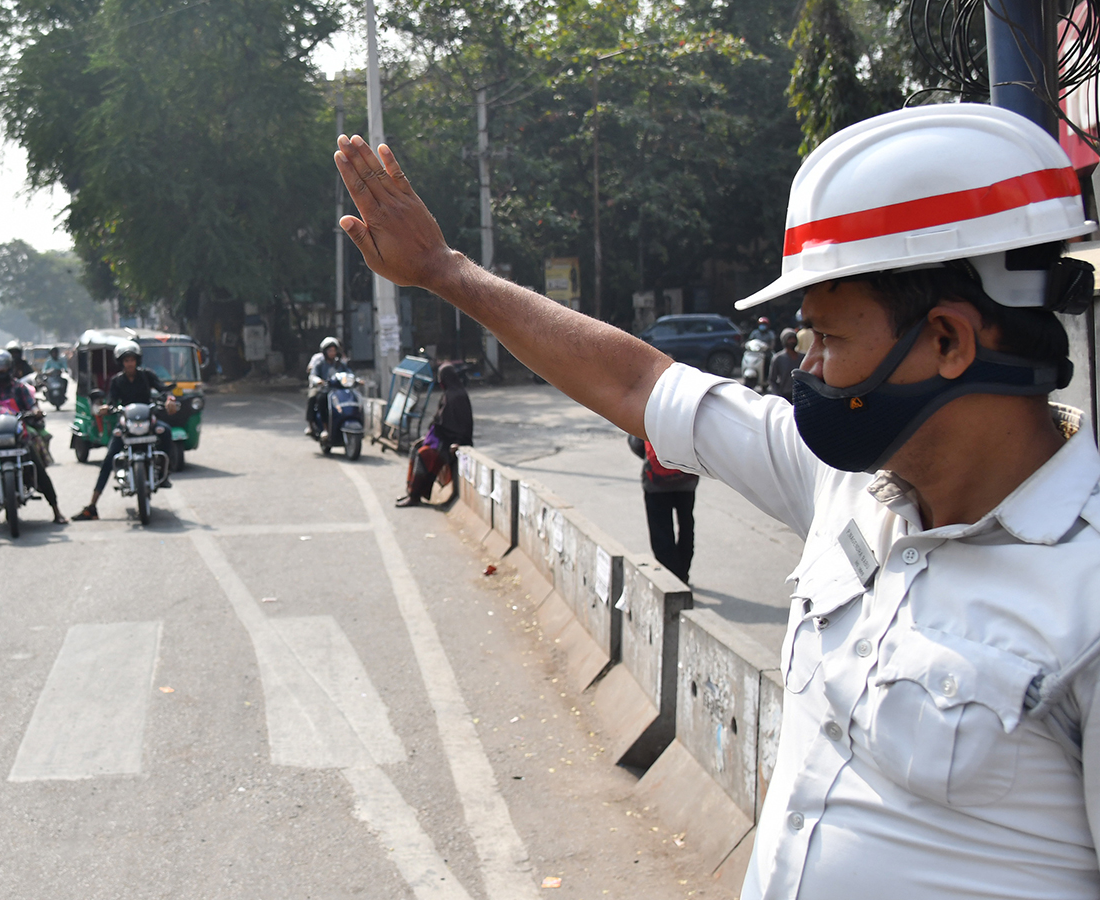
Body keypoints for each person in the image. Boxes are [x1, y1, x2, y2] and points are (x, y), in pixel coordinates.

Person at [334, 102, 1100, 899]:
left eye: (830, 341)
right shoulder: (847, 482)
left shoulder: (1086, 588)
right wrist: (446, 272)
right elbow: (638, 381)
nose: (807, 369)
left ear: (948, 341)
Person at [72, 340, 178, 521]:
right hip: (126, 423)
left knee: (166, 431)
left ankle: (163, 474)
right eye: (126, 360)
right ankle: (92, 506)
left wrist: (170, 399)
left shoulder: (147, 376)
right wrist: (106, 408)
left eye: (132, 360)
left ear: (137, 361)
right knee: (109, 459)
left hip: (148, 419)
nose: (129, 363)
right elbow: (111, 400)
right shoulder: (117, 381)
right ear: (121, 363)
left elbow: (163, 390)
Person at [0, 349, 67, 524]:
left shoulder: (19, 388)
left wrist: (36, 412)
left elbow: (31, 405)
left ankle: (56, 510)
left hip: (17, 433)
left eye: (3, 368)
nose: (0, 371)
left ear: (10, 368)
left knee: (37, 466)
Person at [398, 363, 473, 507]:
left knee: (424, 454)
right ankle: (411, 491)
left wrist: (457, 442)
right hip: (442, 438)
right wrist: (427, 437)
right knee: (416, 448)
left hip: (451, 442)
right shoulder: (448, 395)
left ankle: (416, 496)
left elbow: (464, 425)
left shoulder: (458, 397)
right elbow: (439, 421)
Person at [627, 434, 698, 584]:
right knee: (686, 526)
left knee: (661, 532)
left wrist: (651, 458)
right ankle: (682, 574)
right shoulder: (687, 410)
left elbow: (635, 442)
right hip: (687, 477)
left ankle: (671, 581)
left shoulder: (648, 409)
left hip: (656, 481)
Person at [306, 336, 350, 437]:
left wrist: (356, 380)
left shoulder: (340, 363)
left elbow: (348, 372)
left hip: (338, 389)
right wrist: (319, 381)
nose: (332, 353)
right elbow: (312, 375)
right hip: (323, 389)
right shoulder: (319, 362)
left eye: (334, 350)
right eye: (330, 351)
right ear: (325, 351)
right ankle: (319, 426)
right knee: (316, 398)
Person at [767, 328, 802, 400]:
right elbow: (772, 380)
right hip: (785, 395)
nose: (792, 341)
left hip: (800, 395)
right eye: (789, 339)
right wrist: (778, 395)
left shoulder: (802, 357)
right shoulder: (778, 358)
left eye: (794, 338)